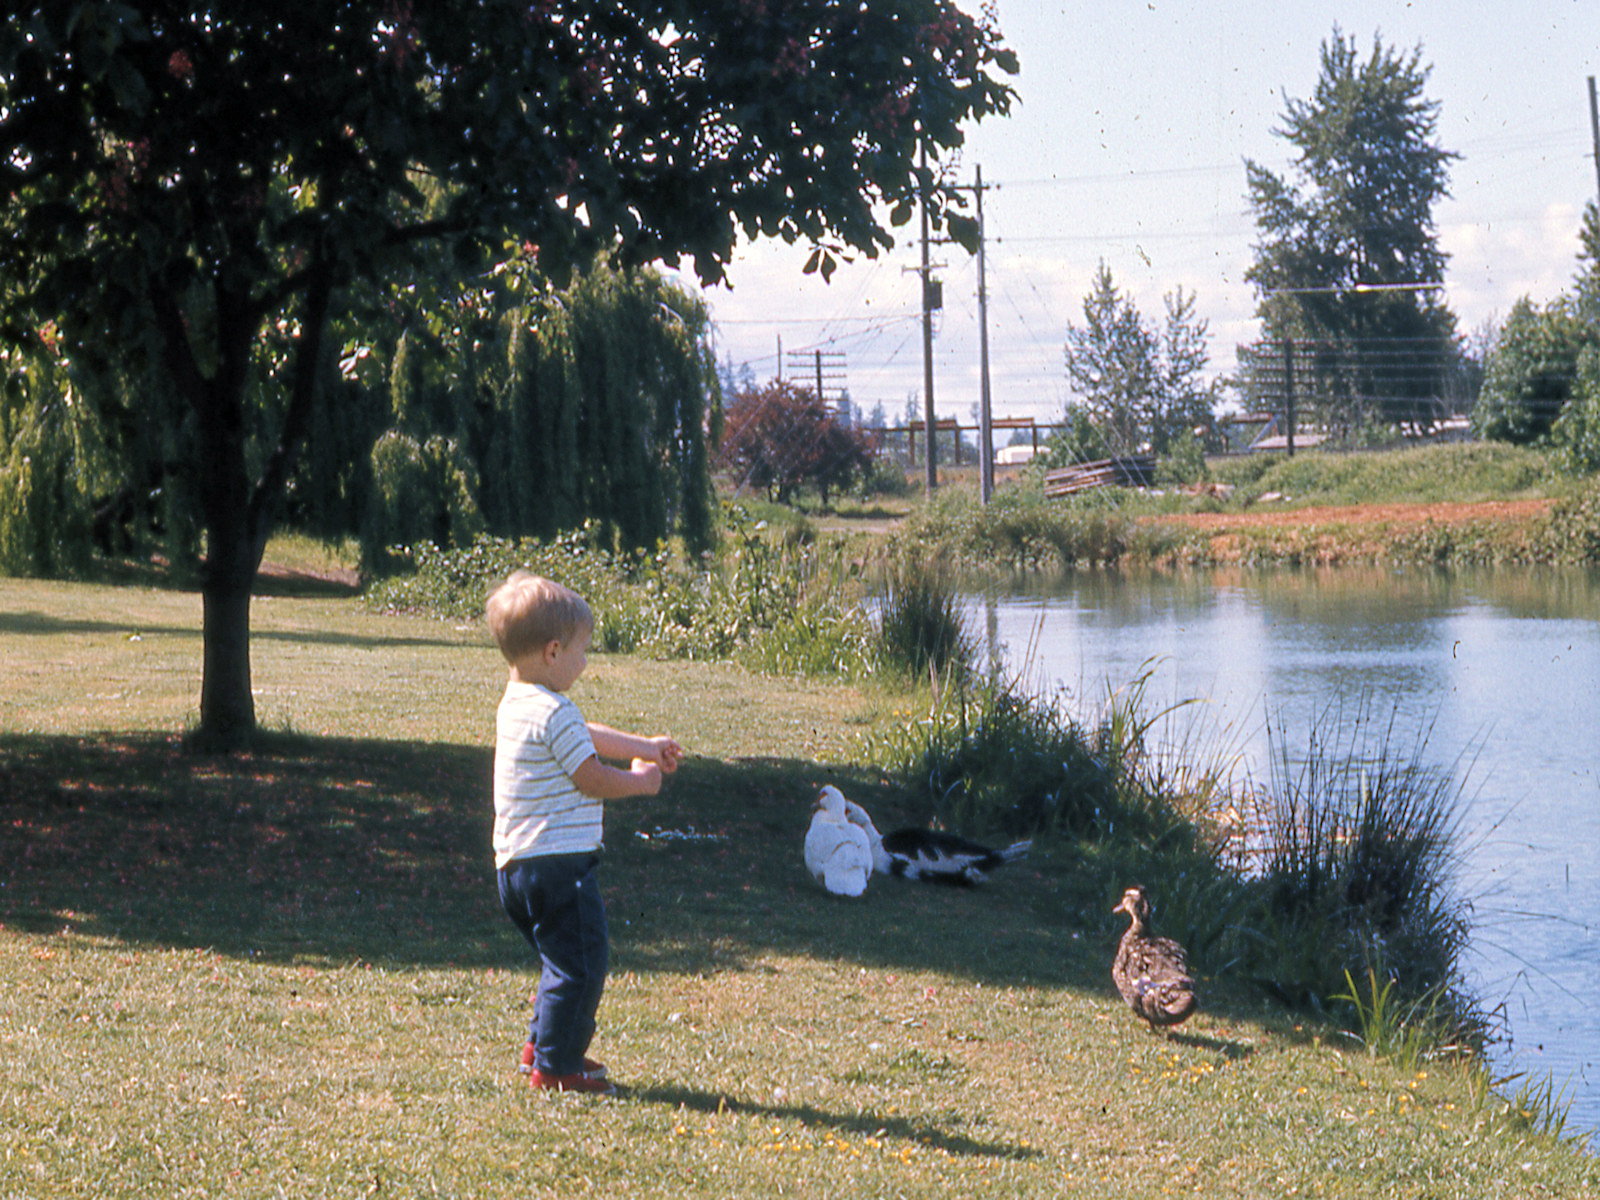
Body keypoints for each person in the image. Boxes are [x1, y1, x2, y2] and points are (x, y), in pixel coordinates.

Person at [485, 570, 683, 1095]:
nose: (586, 661)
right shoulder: (555, 711)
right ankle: (555, 1068)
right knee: (583, 963)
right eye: (582, 650)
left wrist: (643, 742)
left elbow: (584, 733)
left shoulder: (520, 703)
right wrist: (641, 782)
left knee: (560, 960)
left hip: (517, 868)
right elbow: (589, 774)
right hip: (559, 866)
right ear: (553, 651)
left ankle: (543, 1046)